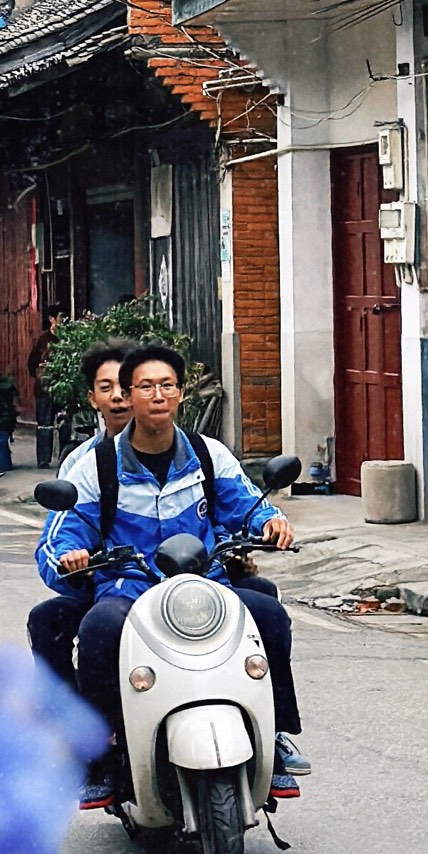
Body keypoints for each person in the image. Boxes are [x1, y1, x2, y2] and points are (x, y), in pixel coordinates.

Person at [39, 341, 309, 806]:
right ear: (129, 394)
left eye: (167, 385)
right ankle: (102, 751)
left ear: (181, 394)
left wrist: (271, 523)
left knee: (268, 613)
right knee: (99, 628)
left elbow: (246, 505)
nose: (157, 394)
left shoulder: (210, 455)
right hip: (130, 588)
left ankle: (277, 733)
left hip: (205, 586)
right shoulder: (95, 466)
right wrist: (71, 558)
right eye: (146, 386)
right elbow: (60, 537)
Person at [28, 338, 135, 717]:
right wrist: (74, 564)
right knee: (48, 620)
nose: (119, 397)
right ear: (93, 399)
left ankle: (269, 729)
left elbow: (226, 513)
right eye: (107, 388)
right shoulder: (82, 463)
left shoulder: (196, 451)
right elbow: (59, 536)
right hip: (109, 585)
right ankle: (81, 725)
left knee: (261, 601)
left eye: (126, 387)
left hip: (179, 587)